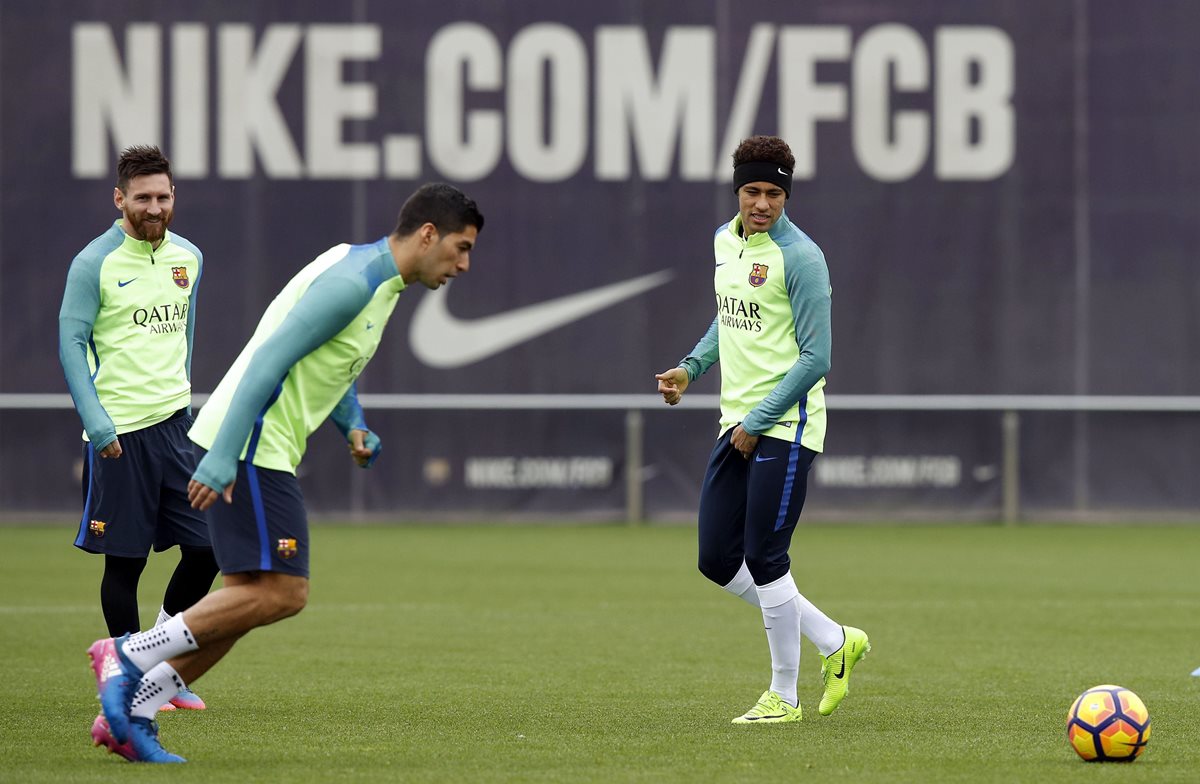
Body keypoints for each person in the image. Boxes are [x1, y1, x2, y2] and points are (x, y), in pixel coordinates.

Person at [86, 182, 484, 763]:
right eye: (462, 247)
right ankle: (128, 655)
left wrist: (352, 423)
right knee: (284, 592)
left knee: (246, 601)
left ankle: (129, 716)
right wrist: (223, 455)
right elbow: (271, 355)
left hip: (256, 445)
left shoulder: (374, 275)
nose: (465, 264)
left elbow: (328, 361)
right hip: (251, 445)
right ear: (428, 234)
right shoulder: (354, 283)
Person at [655, 135, 869, 724]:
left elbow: (816, 357)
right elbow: (730, 318)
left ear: (786, 195)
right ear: (737, 189)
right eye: (753, 190)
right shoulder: (726, 242)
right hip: (738, 423)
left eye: (774, 192)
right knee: (717, 560)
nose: (763, 203)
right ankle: (834, 640)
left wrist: (758, 420)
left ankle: (784, 696)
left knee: (766, 556)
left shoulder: (801, 257)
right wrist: (691, 368)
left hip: (786, 427)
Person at [59, 145, 218, 737]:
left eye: (164, 196)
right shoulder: (93, 263)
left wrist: (185, 401)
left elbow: (187, 335)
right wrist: (98, 424)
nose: (155, 207)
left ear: (174, 197)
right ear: (120, 199)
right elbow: (71, 344)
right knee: (124, 564)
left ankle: (155, 668)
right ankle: (126, 684)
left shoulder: (189, 258)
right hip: (118, 433)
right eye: (143, 197)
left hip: (175, 427)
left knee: (208, 549)